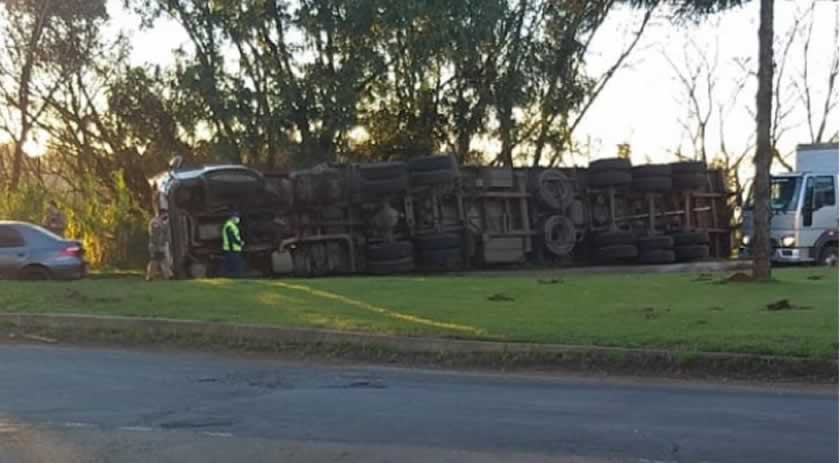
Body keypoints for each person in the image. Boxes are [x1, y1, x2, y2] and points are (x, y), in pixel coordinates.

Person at [146, 209, 173, 281]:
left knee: (162, 260)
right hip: (156, 245)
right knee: (155, 261)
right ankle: (150, 277)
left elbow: (164, 232)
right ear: (162, 214)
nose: (166, 216)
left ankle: (169, 275)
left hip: (159, 245)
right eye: (165, 215)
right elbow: (156, 233)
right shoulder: (155, 222)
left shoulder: (160, 222)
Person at [222, 211, 245, 277]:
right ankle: (237, 276)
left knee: (228, 265)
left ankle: (228, 276)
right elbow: (231, 238)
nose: (238, 219)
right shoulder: (229, 226)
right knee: (236, 265)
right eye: (236, 217)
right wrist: (239, 243)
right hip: (232, 249)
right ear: (232, 218)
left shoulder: (231, 225)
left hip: (231, 249)